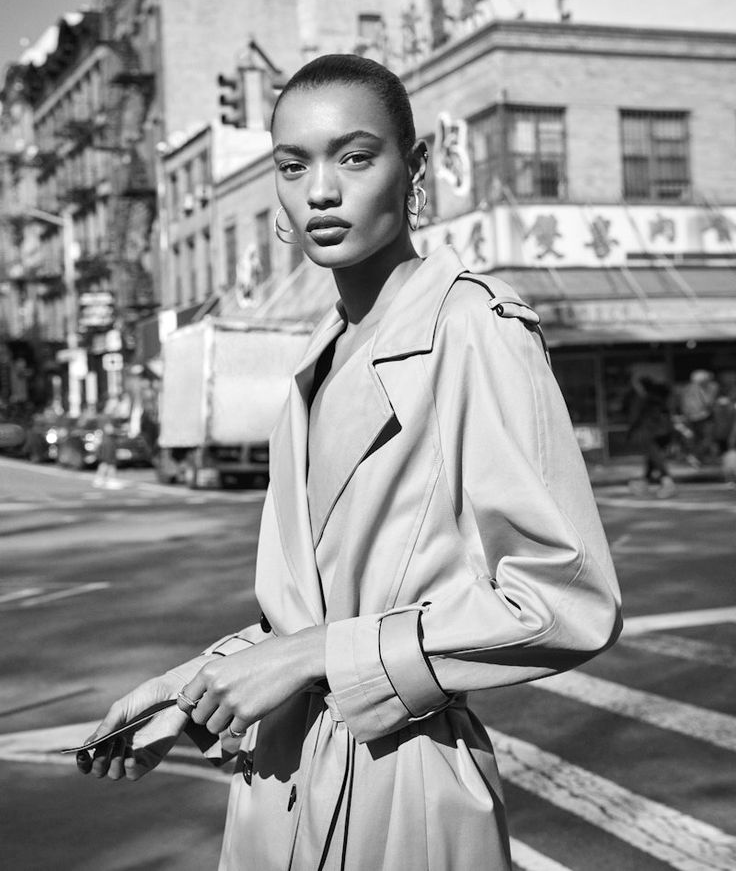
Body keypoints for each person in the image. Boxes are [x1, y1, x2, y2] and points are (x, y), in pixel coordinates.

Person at [78, 55, 622, 870]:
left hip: (404, 793)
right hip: (278, 787)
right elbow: (313, 607)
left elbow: (564, 597)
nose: (320, 191)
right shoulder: (317, 357)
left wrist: (313, 657)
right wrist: (197, 691)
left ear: (416, 169)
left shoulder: (475, 326)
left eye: (355, 156)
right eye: (293, 166)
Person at [624, 374, 676, 498]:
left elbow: (636, 417)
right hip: (663, 432)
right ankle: (645, 482)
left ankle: (667, 481)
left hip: (650, 432)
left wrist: (631, 431)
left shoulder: (644, 400)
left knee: (655, 457)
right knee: (652, 458)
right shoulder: (659, 399)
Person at [93, 418, 122, 489]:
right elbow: (109, 430)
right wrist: (118, 431)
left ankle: (99, 479)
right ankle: (111, 480)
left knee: (105, 463)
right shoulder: (107, 418)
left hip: (106, 444)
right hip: (108, 444)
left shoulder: (104, 418)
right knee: (110, 463)